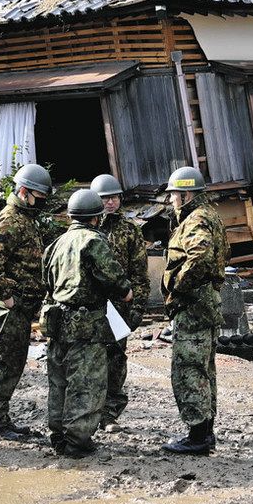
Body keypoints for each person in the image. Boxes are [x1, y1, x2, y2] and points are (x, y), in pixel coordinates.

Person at [41, 189, 133, 457]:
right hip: (87, 324)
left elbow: (46, 282)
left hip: (57, 321)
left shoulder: (55, 244)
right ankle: (78, 440)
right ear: (95, 217)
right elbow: (114, 279)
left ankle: (58, 434)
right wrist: (127, 292)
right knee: (86, 383)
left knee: (59, 381)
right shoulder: (93, 242)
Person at [0, 163, 53, 441]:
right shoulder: (9, 220)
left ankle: (0, 418)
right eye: (39, 198)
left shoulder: (24, 219)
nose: (42, 203)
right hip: (9, 309)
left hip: (21, 308)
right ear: (24, 192)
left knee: (12, 364)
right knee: (3, 363)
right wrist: (8, 298)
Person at [160, 166, 227, 456]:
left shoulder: (196, 220)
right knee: (204, 368)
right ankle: (204, 433)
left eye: (174, 194)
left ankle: (198, 435)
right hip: (204, 304)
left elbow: (200, 258)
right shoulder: (208, 215)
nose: (171, 200)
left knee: (188, 369)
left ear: (186, 195)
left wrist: (178, 286)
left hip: (193, 306)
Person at [90, 174, 150, 431]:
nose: (110, 203)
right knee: (89, 360)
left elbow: (140, 273)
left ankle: (110, 414)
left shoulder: (129, 231)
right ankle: (87, 413)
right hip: (90, 306)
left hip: (119, 307)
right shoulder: (86, 228)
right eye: (105, 198)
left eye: (114, 197)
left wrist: (137, 308)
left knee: (115, 360)